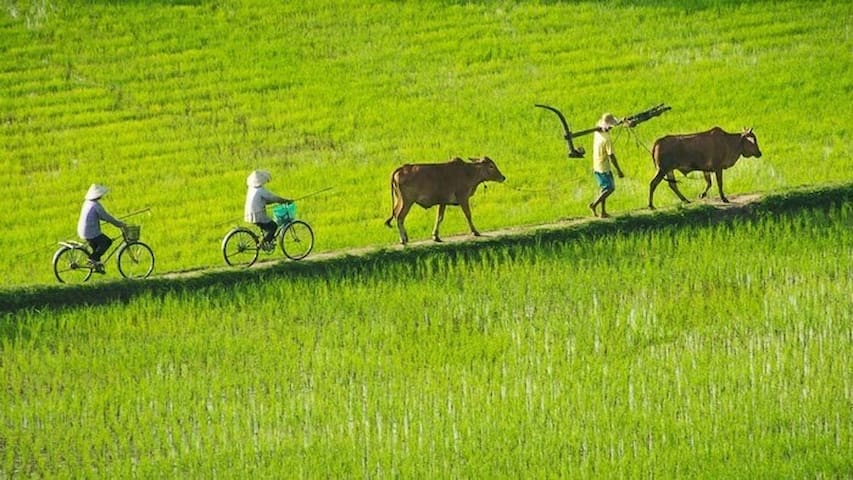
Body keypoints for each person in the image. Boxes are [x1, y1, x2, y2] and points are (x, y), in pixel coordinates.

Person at [77, 184, 126, 273]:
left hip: (83, 231)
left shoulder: (87, 203)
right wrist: (119, 224)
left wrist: (106, 219)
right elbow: (106, 217)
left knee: (97, 249)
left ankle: (97, 267)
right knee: (107, 242)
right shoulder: (95, 205)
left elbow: (101, 216)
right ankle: (92, 259)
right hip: (90, 232)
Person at [588, 113, 624, 218]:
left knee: (604, 189)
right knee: (610, 188)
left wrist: (622, 121)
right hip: (603, 167)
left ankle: (603, 212)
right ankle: (594, 205)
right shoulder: (607, 139)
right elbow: (611, 156)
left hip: (596, 164)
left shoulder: (597, 132)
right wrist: (619, 170)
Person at [245, 170, 292, 247]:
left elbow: (266, 200)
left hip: (249, 214)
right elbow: (273, 198)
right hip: (258, 215)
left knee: (267, 227)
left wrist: (275, 202)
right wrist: (285, 201)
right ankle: (263, 244)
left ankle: (266, 241)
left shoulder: (251, 189)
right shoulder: (261, 191)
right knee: (273, 226)